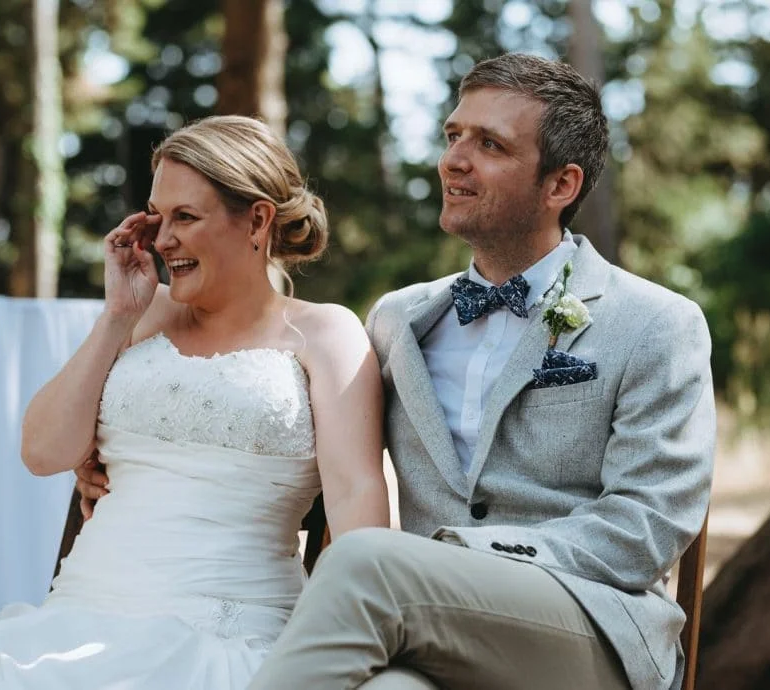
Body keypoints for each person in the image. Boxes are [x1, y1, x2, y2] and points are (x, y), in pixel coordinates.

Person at [242, 53, 716, 690]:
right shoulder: (396, 320)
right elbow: (313, 440)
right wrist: (117, 452)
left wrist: (467, 560)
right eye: (453, 136)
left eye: (489, 144)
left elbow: (645, 528)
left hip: (591, 631)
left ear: (560, 186)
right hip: (431, 629)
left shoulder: (658, 323)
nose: (454, 160)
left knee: (366, 564)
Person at [0, 115, 390, 689]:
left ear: (257, 219)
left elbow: (357, 495)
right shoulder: (141, 315)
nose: (162, 240)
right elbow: (42, 452)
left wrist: (359, 649)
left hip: (239, 639)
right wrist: (117, 316)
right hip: (78, 625)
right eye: (157, 218)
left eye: (185, 217)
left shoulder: (324, 333)